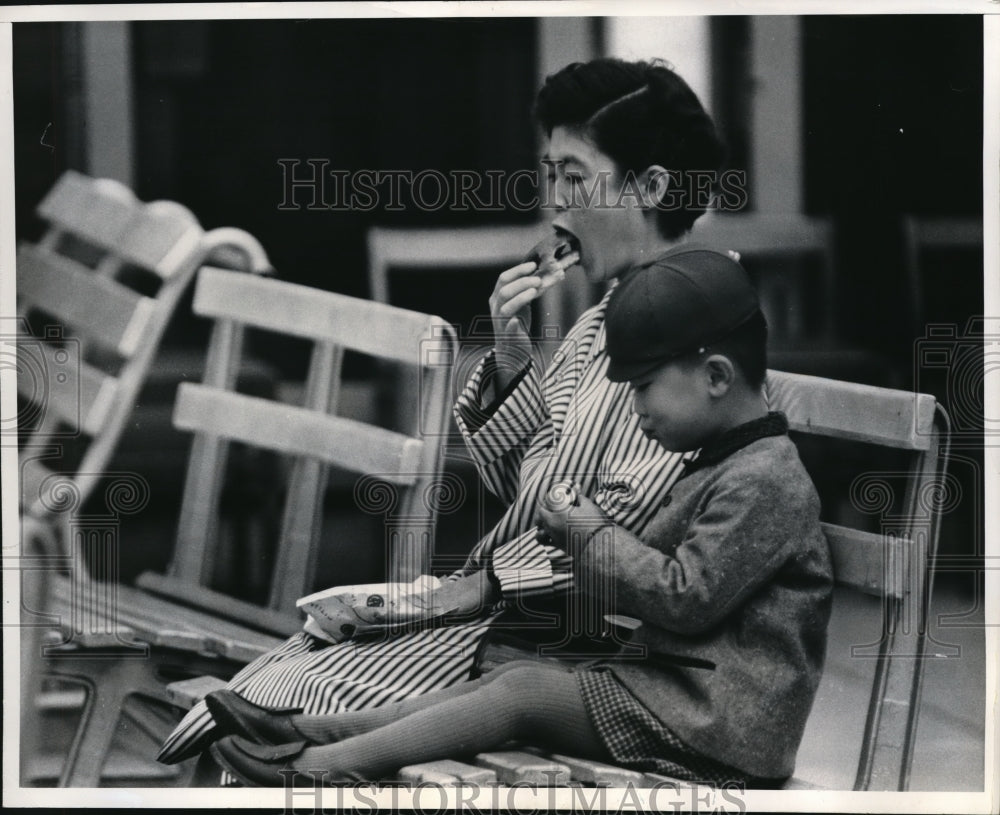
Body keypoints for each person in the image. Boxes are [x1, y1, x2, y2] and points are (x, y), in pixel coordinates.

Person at [156, 56, 727, 772]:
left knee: (285, 693)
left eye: (575, 176)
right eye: (550, 173)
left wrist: (479, 584)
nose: (556, 202)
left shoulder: (699, 332)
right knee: (289, 665)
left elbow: (625, 523)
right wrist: (514, 359)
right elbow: (528, 488)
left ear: (651, 187)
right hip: (527, 610)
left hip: (593, 646)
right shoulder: (600, 323)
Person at [202, 248, 834, 787]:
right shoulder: (727, 458)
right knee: (520, 679)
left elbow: (685, 596)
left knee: (521, 694)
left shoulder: (764, 479)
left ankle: (322, 768)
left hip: (722, 729)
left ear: (716, 377)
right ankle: (307, 733)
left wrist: (588, 528)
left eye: (642, 387)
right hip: (679, 698)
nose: (635, 406)